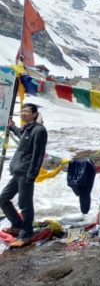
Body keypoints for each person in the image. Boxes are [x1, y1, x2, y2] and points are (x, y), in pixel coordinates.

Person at [0, 103, 47, 247]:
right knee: (3, 199)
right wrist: (12, 127)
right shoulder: (27, 128)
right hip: (17, 172)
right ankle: (17, 224)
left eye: (26, 111)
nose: (23, 113)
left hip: (26, 173)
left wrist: (32, 175)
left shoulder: (39, 130)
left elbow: (38, 155)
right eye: (22, 111)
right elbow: (21, 134)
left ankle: (26, 233)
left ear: (34, 114)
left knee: (24, 205)